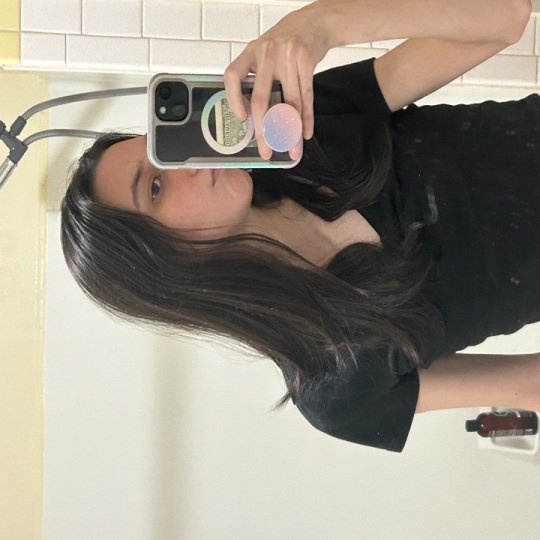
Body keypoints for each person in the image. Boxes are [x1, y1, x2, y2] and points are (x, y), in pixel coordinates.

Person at [61, 0, 540, 452]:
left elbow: (506, 15)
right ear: (165, 269)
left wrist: (326, 22)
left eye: (164, 149)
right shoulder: (334, 387)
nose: (186, 162)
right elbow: (530, 384)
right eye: (155, 187)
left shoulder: (300, 135)